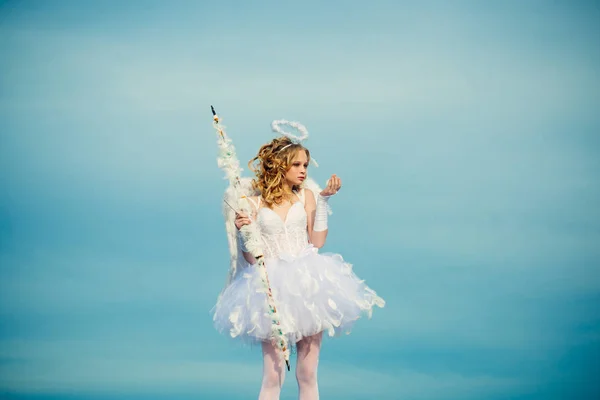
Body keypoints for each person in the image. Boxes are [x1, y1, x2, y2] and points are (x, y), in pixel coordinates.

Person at [211, 134, 385, 400]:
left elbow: (317, 241)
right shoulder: (253, 204)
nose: (303, 170)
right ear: (280, 165)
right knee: (273, 375)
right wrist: (244, 231)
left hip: (308, 286)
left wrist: (324, 201)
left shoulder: (307, 197)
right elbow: (250, 258)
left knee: (307, 373)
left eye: (305, 165)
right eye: (297, 165)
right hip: (270, 288)